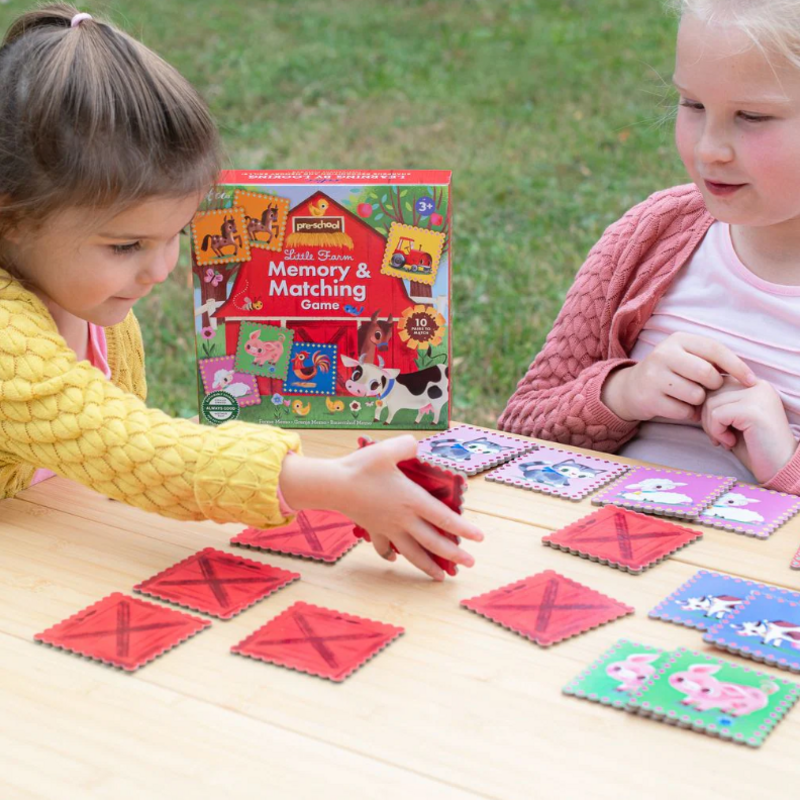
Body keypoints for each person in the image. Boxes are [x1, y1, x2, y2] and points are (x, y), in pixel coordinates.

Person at [0, 4, 482, 581]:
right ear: (12, 218)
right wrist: (333, 486)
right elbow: (129, 447)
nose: (161, 269)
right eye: (126, 246)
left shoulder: (91, 302)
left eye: (177, 235)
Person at [500, 0, 800, 496]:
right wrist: (622, 393)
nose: (709, 149)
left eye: (752, 116)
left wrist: (785, 463)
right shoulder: (652, 233)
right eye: (693, 105)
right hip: (596, 536)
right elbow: (517, 433)